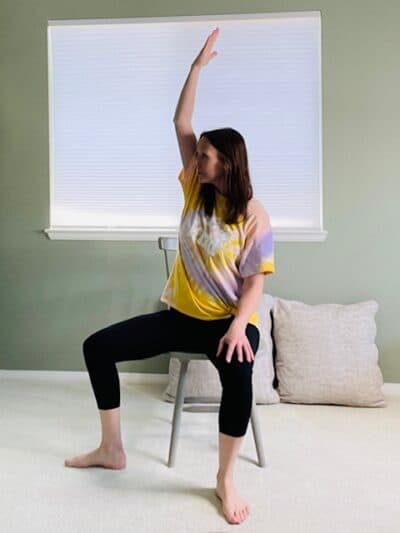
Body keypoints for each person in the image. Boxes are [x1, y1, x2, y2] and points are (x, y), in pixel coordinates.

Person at [64, 27, 275, 526]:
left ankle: (225, 479)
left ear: (226, 163)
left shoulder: (252, 214)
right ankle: (112, 448)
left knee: (240, 378)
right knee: (97, 346)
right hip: (180, 317)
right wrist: (196, 69)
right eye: (197, 152)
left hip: (229, 321)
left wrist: (236, 327)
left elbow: (255, 282)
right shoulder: (195, 192)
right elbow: (180, 121)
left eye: (203, 154)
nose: (194, 157)